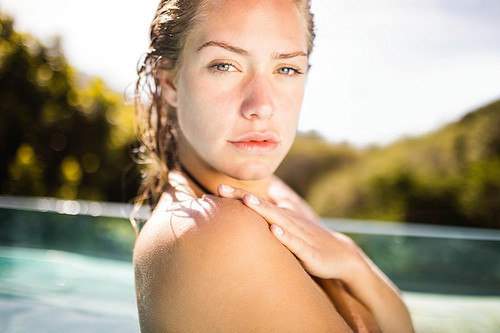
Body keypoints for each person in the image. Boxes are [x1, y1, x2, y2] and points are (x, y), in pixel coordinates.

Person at [132, 0, 414, 332]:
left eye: (286, 69)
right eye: (224, 65)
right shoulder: (215, 230)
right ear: (170, 84)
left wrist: (351, 260)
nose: (262, 106)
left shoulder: (276, 199)